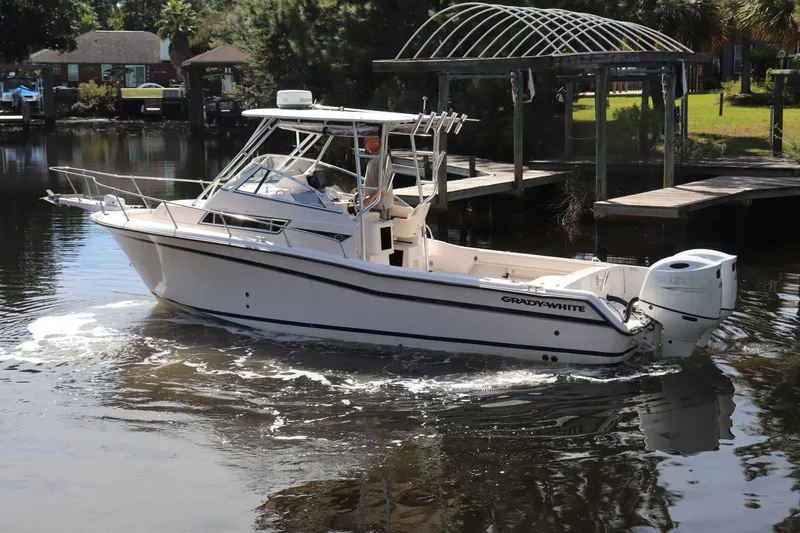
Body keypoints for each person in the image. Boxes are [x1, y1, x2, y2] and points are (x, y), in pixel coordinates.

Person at [360, 136, 394, 219]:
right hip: (373, 204)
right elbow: (376, 180)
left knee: (379, 230)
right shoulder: (375, 157)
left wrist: (371, 197)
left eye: (366, 141)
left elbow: (384, 184)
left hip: (380, 206)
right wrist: (363, 186)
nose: (364, 143)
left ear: (375, 142)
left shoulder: (382, 158)